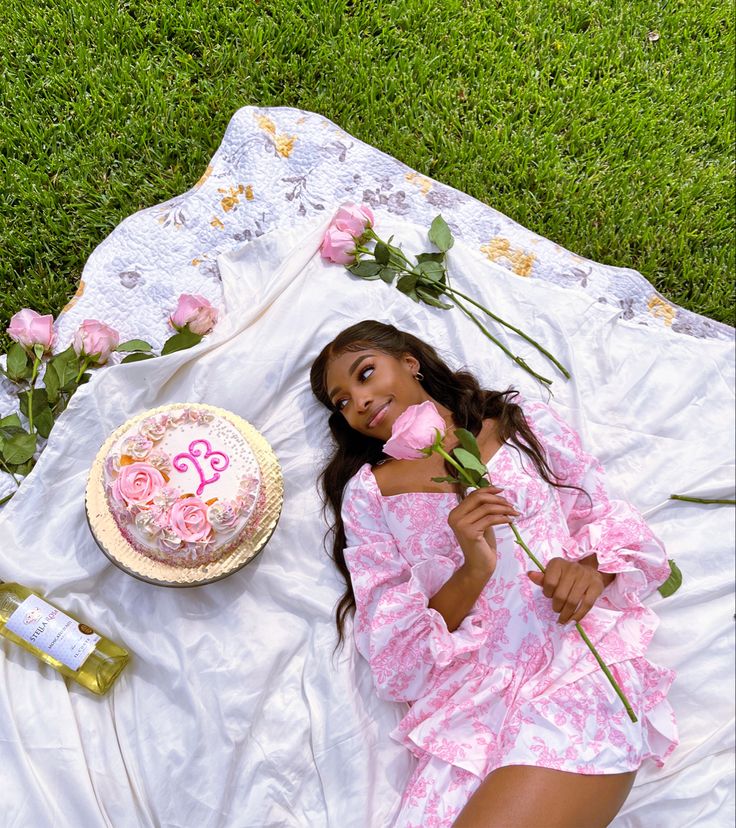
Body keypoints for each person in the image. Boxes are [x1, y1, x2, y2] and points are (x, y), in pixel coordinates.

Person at [309, 320, 678, 828]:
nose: (360, 401)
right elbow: (397, 661)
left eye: (366, 374)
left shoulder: (517, 424)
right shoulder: (369, 496)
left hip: (574, 667)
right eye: (342, 402)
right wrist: (472, 569)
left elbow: (613, 521)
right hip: (471, 714)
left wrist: (590, 570)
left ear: (410, 362)